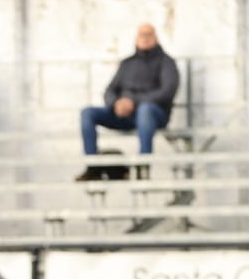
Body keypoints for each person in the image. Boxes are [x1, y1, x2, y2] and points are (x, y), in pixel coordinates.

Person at [76, 24, 179, 178]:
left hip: (153, 115)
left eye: (148, 34)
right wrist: (116, 103)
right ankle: (93, 167)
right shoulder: (127, 64)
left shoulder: (166, 62)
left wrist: (134, 102)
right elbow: (110, 91)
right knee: (87, 113)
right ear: (136, 38)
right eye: (141, 35)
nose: (145, 38)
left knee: (145, 109)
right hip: (124, 113)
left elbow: (167, 92)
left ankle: (143, 165)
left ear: (156, 38)